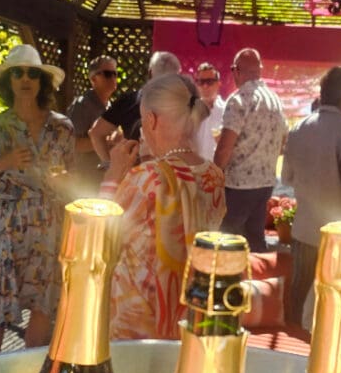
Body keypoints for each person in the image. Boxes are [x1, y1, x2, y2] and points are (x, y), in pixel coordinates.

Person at [99, 73, 226, 340]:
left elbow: (99, 239)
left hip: (138, 320)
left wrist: (112, 176)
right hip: (189, 316)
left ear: (151, 120)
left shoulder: (146, 178)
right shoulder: (214, 175)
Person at [0, 44, 75, 355]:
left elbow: (71, 178)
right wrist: (4, 162)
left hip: (50, 224)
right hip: (9, 226)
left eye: (32, 73)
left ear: (43, 81)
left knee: (43, 306)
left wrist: (63, 182)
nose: (25, 79)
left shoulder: (62, 127)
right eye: (17, 73)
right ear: (8, 80)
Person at [281, 67, 341, 328]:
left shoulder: (298, 128)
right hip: (337, 231)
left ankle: (292, 337)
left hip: (304, 227)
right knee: (331, 296)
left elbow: (286, 177)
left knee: (298, 293)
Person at [214, 48, 288, 252]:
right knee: (255, 242)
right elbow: (284, 139)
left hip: (238, 186)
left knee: (224, 242)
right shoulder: (274, 100)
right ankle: (257, 273)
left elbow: (224, 148)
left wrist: (213, 175)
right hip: (265, 183)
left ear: (236, 71)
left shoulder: (239, 99)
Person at [88, 51, 181, 163]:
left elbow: (96, 133)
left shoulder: (129, 101)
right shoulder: (184, 105)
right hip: (174, 170)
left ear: (150, 73)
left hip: (136, 171)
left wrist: (109, 165)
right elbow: (95, 133)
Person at [66, 55, 118, 195]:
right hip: (84, 181)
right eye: (107, 74)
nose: (113, 78)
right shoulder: (81, 105)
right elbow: (72, 144)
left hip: (101, 179)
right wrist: (104, 141)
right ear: (93, 79)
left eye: (115, 74)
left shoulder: (110, 106)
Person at [193, 61, 225, 161]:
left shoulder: (226, 111)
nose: (205, 86)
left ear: (218, 84)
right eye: (201, 82)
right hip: (194, 167)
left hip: (216, 168)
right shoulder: (190, 111)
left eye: (209, 82)